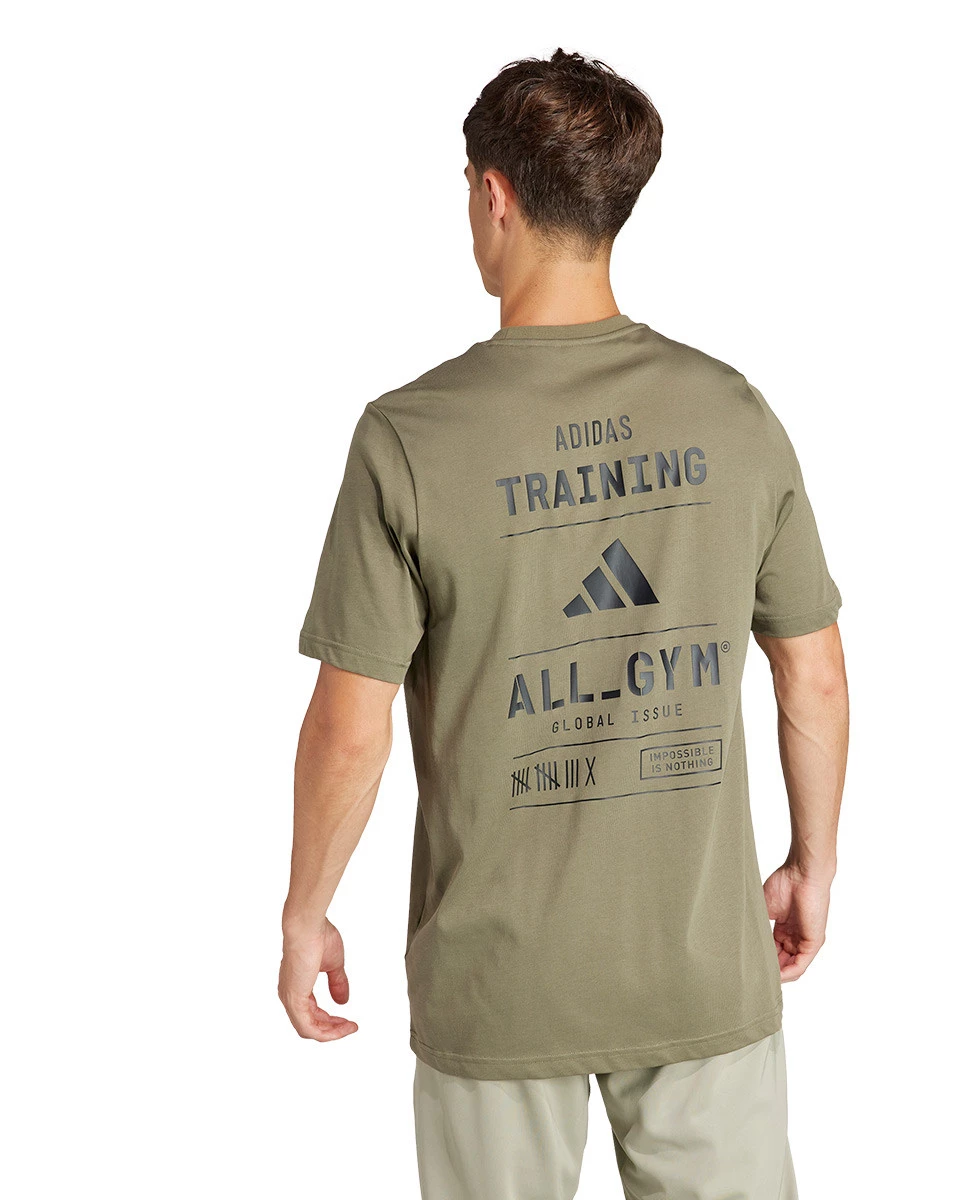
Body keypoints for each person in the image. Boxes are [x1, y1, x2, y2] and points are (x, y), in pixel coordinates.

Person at [279, 48, 849, 1200]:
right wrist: (811, 864)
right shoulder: (733, 414)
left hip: (500, 983)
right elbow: (814, 676)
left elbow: (350, 726)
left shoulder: (410, 438)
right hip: (698, 967)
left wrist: (306, 912)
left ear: (494, 195)